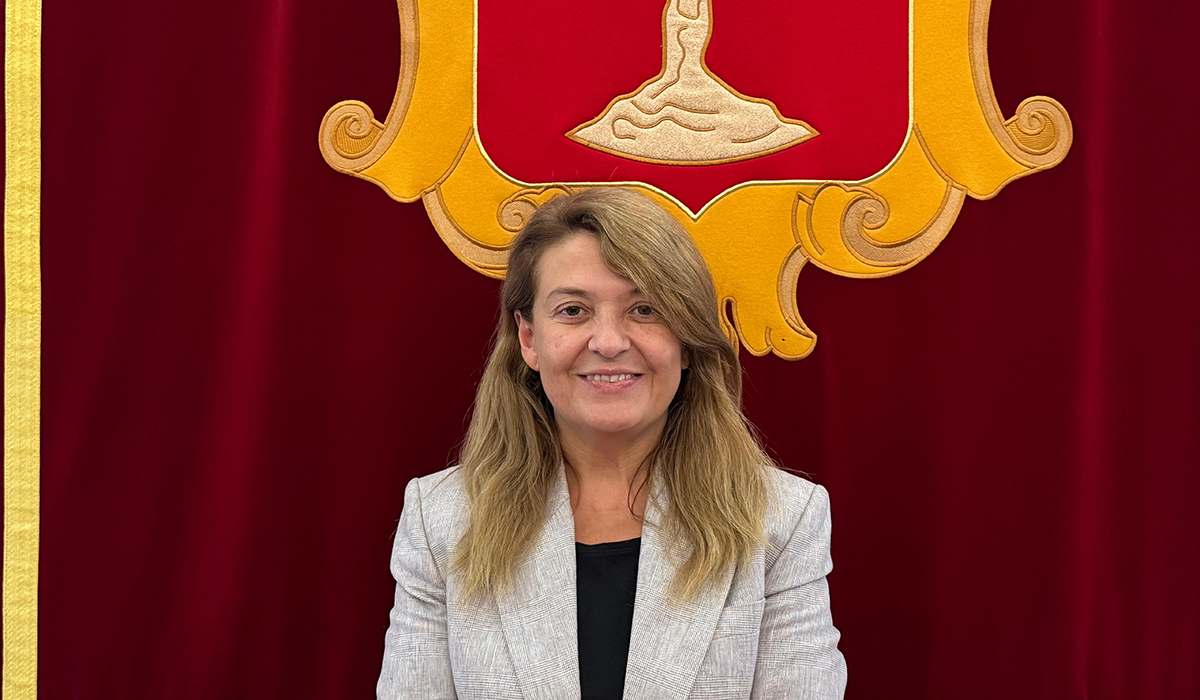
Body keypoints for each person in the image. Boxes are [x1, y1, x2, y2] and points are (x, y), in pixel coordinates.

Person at [377, 188, 847, 700]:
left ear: (687, 340)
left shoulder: (782, 521)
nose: (608, 342)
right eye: (573, 310)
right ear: (529, 339)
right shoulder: (441, 520)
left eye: (645, 309)